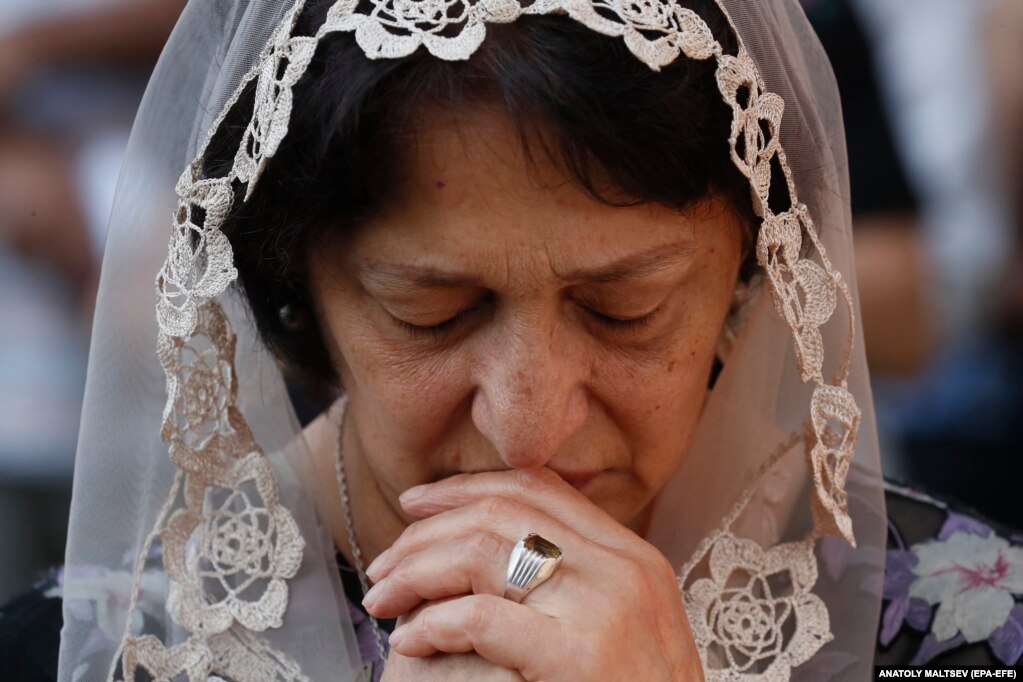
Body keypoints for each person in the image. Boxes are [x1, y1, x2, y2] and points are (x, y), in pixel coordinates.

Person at [48, 0, 886, 680]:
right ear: (299, 290)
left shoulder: (959, 629)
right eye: (431, 315)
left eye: (624, 309)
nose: (528, 429)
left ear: (749, 263)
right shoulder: (104, 650)